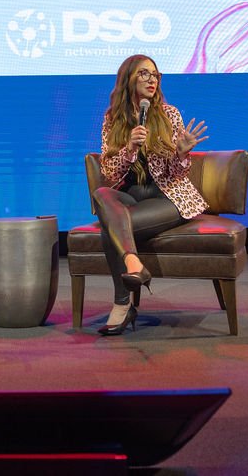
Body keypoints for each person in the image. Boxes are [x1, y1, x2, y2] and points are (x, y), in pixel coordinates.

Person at [93, 55, 209, 336]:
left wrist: (181, 152)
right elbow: (109, 172)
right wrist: (130, 148)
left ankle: (122, 303)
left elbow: (176, 173)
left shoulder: (170, 114)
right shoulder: (113, 119)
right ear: (128, 79)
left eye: (155, 75)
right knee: (102, 193)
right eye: (144, 74)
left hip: (168, 197)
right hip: (131, 195)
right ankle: (134, 264)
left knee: (111, 229)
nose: (152, 80)